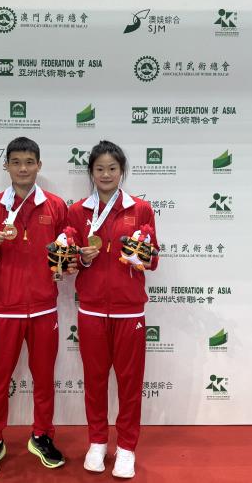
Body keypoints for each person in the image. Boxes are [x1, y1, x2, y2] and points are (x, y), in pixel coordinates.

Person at [0, 137, 68, 477]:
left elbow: (66, 250)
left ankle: (42, 435)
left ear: (39, 165)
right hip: (5, 309)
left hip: (44, 308)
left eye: (29, 161)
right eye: (16, 162)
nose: (23, 168)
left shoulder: (55, 206)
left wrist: (67, 262)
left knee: (44, 379)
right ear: (7, 166)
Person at [67, 140, 159, 479]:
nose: (106, 175)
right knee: (94, 380)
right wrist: (80, 258)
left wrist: (140, 256)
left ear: (122, 171)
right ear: (90, 172)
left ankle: (127, 447)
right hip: (91, 309)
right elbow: (67, 261)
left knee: (129, 383)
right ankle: (97, 441)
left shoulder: (141, 209)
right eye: (99, 169)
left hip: (129, 310)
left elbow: (153, 259)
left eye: (112, 169)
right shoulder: (78, 211)